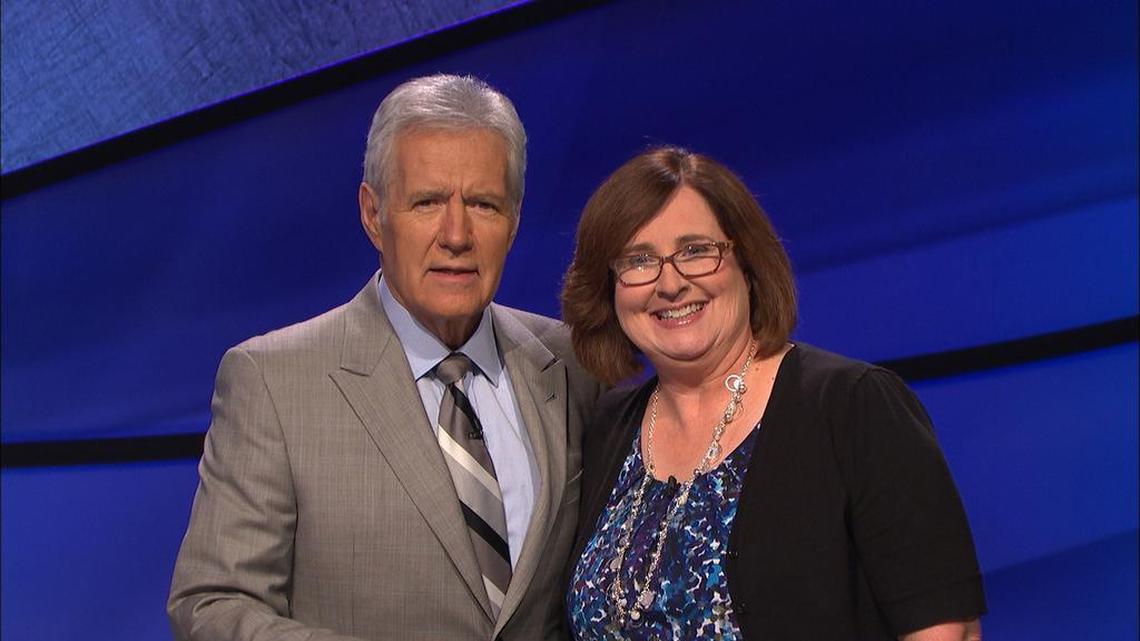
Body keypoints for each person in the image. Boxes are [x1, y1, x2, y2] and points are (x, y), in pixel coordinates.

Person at [168, 74, 603, 641]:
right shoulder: (273, 382)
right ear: (373, 215)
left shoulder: (571, 364)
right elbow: (212, 604)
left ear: (515, 219)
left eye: (483, 204)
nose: (456, 234)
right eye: (427, 202)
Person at [560, 147, 986, 640]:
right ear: (609, 288)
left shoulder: (852, 405)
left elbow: (944, 629)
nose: (670, 284)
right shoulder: (607, 426)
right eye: (639, 261)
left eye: (695, 251)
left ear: (746, 262)